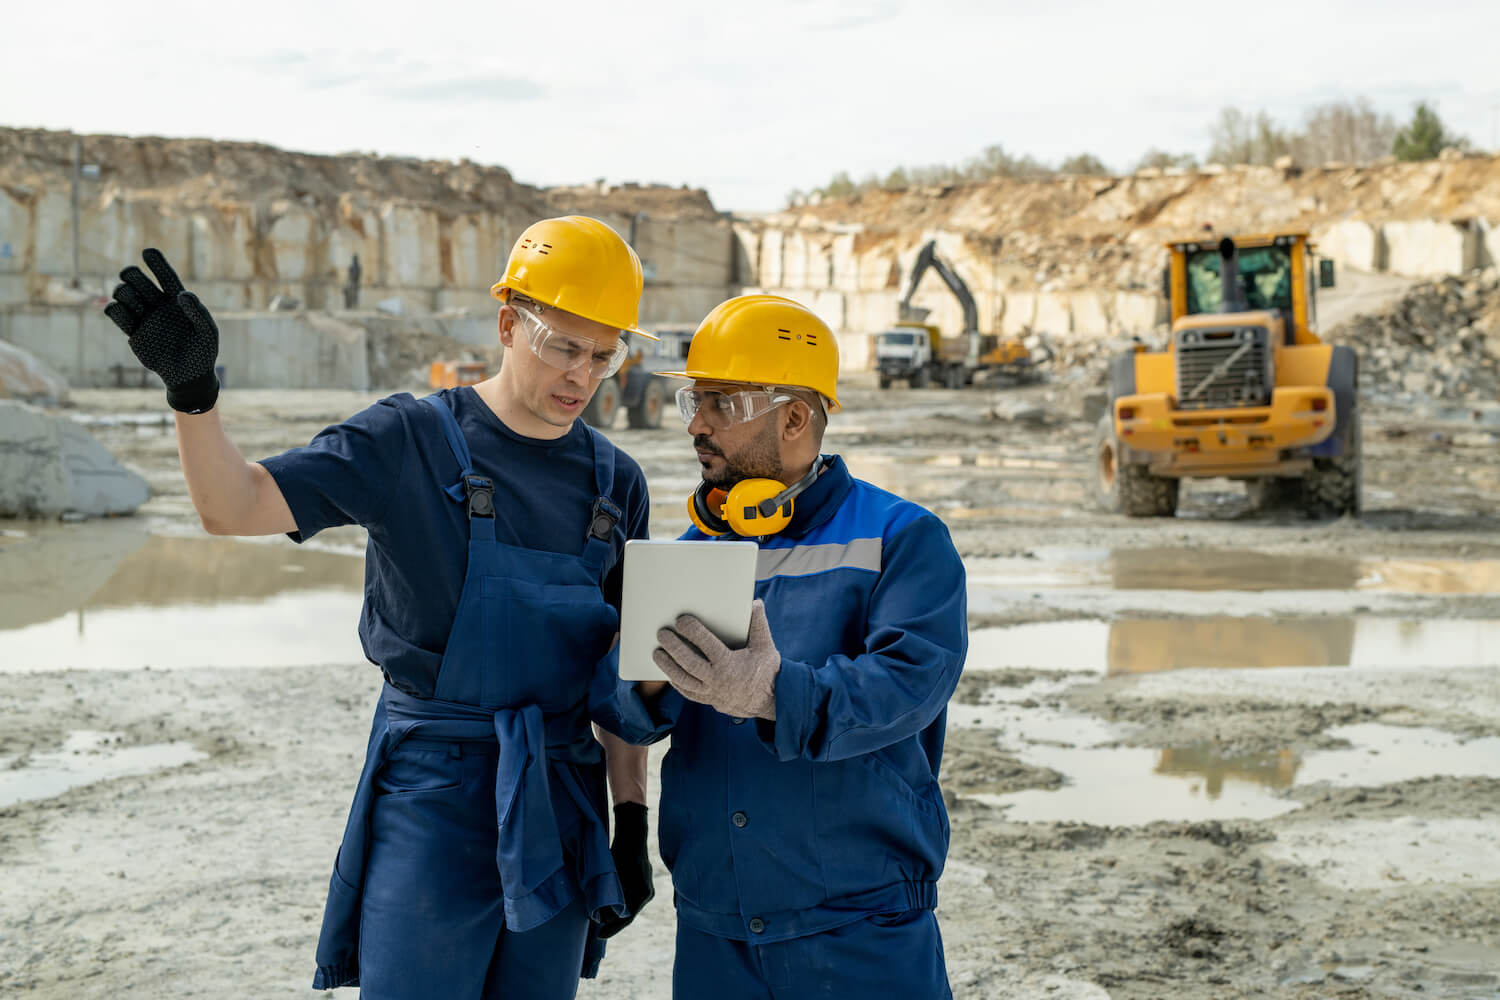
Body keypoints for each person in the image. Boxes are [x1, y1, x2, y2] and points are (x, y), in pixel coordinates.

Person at [102, 216, 659, 998]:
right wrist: (194, 397)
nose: (583, 376)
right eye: (564, 347)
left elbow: (627, 674)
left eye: (605, 356)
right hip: (434, 797)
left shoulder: (617, 481)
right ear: (508, 323)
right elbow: (234, 506)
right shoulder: (408, 440)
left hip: (561, 799)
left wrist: (629, 818)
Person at [596, 294, 969, 998]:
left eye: (721, 405)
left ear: (795, 416)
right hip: (716, 927)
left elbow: (907, 686)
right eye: (692, 403)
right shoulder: (691, 553)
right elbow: (629, 712)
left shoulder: (902, 539)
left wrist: (770, 693)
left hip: (860, 927)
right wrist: (639, 682)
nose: (697, 426)